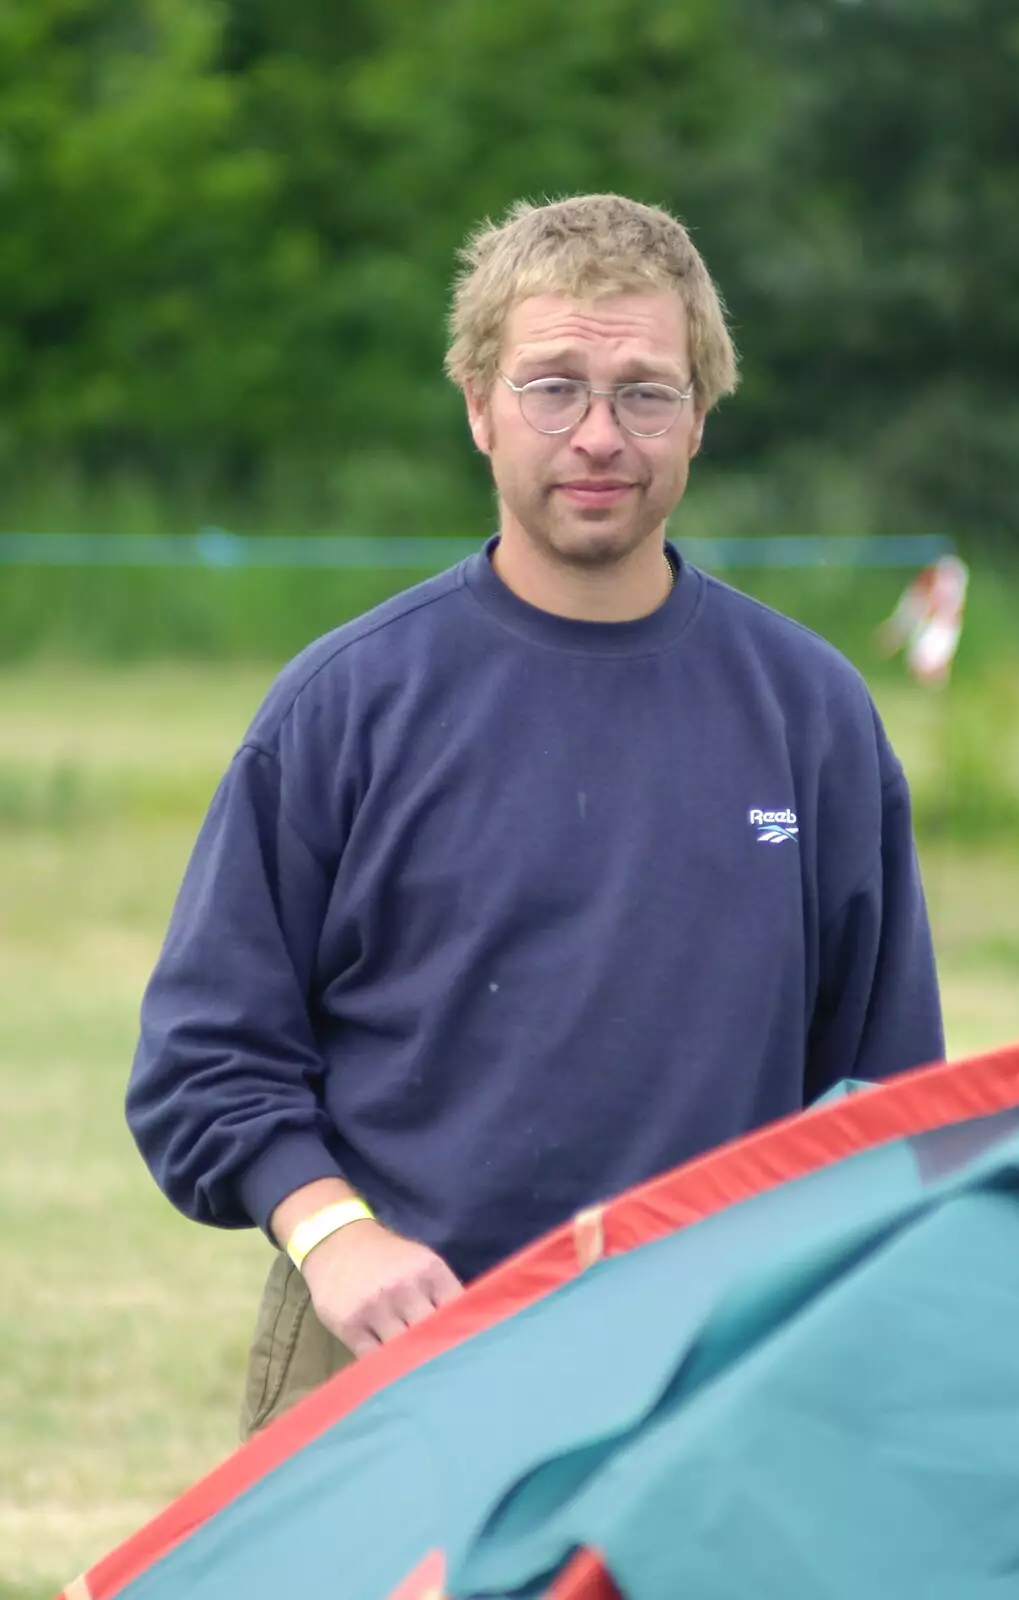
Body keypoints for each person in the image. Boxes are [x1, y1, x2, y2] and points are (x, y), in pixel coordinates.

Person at [126, 193, 944, 1440]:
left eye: (645, 392)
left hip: (712, 1375)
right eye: (553, 385)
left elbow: (884, 1095)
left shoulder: (811, 713)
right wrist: (337, 1237)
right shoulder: (348, 706)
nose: (600, 435)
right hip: (388, 1354)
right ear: (477, 406)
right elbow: (205, 1059)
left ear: (699, 416)